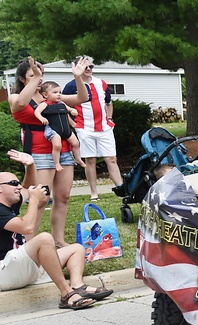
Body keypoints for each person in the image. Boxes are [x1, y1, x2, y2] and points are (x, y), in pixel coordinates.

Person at [0, 150, 113, 308]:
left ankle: (77, 286)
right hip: (5, 271)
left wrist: (31, 164)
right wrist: (33, 200)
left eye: (18, 183)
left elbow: (28, 186)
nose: (19, 187)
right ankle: (67, 294)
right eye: (13, 184)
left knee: (76, 249)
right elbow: (27, 227)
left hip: (19, 267)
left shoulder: (10, 201)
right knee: (45, 238)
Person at [8, 57, 90, 246]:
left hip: (64, 150)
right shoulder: (16, 97)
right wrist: (37, 77)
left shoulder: (50, 97)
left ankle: (58, 239)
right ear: (22, 79)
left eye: (41, 74)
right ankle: (28, 244)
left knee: (63, 196)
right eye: (33, 75)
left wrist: (78, 77)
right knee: (41, 199)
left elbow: (82, 98)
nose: (39, 78)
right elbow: (19, 103)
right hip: (39, 152)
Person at [62, 56, 124, 201]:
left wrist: (109, 118)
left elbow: (109, 103)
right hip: (85, 128)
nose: (89, 69)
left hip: (104, 128)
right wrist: (72, 123)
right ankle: (94, 192)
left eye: (91, 67)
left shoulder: (101, 83)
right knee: (90, 160)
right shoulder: (71, 86)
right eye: (85, 67)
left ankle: (121, 188)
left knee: (111, 159)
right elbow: (62, 105)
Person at [33, 81, 85, 172]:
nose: (58, 95)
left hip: (65, 129)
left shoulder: (61, 103)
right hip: (53, 130)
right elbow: (36, 112)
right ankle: (56, 163)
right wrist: (41, 118)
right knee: (57, 145)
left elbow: (69, 109)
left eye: (60, 92)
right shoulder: (44, 104)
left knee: (76, 143)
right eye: (55, 92)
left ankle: (78, 159)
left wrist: (72, 111)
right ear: (45, 95)